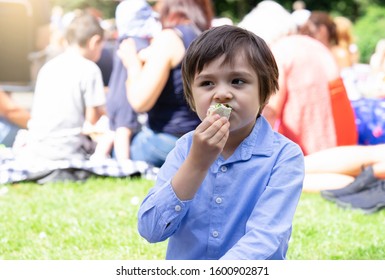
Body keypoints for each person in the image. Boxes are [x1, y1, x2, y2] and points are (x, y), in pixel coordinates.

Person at [137, 25, 305, 260]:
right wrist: (196, 164)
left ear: (264, 94)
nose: (222, 94)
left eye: (237, 81)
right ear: (191, 98)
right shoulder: (185, 149)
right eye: (207, 83)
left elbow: (265, 238)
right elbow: (150, 230)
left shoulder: (284, 157)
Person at [116, 0, 214, 167]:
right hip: (205, 138)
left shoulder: (169, 38)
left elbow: (140, 102)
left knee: (114, 147)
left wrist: (132, 63)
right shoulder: (209, 38)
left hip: (169, 141)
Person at [239, 1, 341, 155]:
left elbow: (270, 110)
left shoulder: (279, 52)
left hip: (306, 147)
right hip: (338, 141)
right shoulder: (316, 46)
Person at [15, 12, 106, 162]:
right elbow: (92, 120)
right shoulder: (90, 69)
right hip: (68, 151)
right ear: (94, 42)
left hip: (38, 148)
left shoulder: (48, 67)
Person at [92, 0, 161, 161]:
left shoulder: (121, 42)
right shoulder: (139, 44)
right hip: (126, 96)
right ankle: (123, 164)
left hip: (114, 94)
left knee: (112, 128)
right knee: (124, 129)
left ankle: (98, 156)